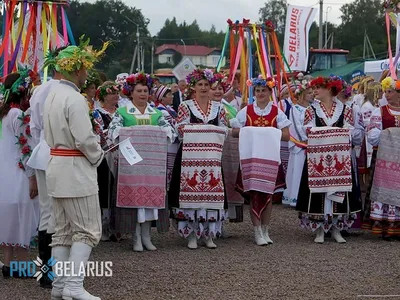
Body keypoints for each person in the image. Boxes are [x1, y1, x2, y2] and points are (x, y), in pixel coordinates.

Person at [43, 39, 109, 300]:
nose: (86, 74)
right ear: (77, 69)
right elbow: (83, 138)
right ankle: (73, 284)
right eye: (85, 69)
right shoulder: (75, 99)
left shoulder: (51, 95)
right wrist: (98, 155)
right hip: (74, 167)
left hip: (56, 166)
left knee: (62, 231)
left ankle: (60, 286)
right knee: (87, 229)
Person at [108, 73, 176, 252]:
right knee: (134, 202)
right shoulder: (122, 112)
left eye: (145, 90)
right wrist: (133, 131)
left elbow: (171, 131)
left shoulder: (157, 113)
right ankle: (136, 237)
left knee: (150, 202)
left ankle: (147, 236)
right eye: (139, 91)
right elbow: (112, 131)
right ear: (131, 93)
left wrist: (158, 131)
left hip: (152, 165)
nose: (143, 94)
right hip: (132, 166)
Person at [296, 76, 362, 244]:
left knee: (339, 189)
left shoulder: (345, 109)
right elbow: (306, 131)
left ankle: (336, 228)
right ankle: (319, 229)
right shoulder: (311, 110)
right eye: (314, 88)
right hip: (318, 159)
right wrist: (330, 132)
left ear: (330, 89)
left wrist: (337, 133)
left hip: (339, 158)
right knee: (319, 191)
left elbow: (352, 131)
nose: (315, 91)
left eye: (318, 87)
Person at [169, 69, 228, 249]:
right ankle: (192, 234)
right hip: (189, 156)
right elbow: (179, 129)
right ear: (193, 87)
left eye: (206, 85)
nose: (203, 87)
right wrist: (205, 130)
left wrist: (206, 131)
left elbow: (224, 129)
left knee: (211, 192)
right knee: (190, 192)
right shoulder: (185, 106)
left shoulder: (219, 108)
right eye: (200, 84)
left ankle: (209, 234)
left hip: (211, 157)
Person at [230, 75, 291, 246]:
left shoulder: (277, 112)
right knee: (254, 194)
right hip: (251, 159)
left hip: (270, 159)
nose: (260, 93)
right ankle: (256, 230)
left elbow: (286, 135)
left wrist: (265, 133)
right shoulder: (246, 111)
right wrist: (253, 132)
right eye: (257, 90)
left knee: (268, 195)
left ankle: (265, 229)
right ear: (253, 92)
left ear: (270, 92)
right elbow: (234, 131)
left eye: (264, 90)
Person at [28, 46, 66, 289]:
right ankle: (56, 272)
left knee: (46, 214)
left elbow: (33, 129)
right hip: (59, 155)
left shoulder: (39, 90)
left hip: (41, 152)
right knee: (61, 216)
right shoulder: (66, 92)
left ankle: (46, 273)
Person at [0, 69, 39, 278]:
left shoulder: (4, 113)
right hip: (18, 174)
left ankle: (7, 264)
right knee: (23, 215)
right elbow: (26, 149)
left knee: (9, 217)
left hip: (4, 174)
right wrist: (32, 177)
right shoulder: (18, 115)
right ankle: (22, 265)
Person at [363, 77, 400, 240]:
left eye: (390, 91)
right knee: (386, 189)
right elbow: (372, 135)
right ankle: (386, 225)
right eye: (386, 91)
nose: (387, 94)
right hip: (385, 158)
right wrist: (391, 134)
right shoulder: (380, 111)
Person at [92, 81, 120, 241]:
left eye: (117, 93)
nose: (116, 96)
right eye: (112, 93)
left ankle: (118, 226)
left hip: (121, 155)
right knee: (105, 187)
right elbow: (98, 132)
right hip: (105, 155)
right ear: (103, 96)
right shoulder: (97, 113)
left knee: (119, 187)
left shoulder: (122, 112)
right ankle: (104, 225)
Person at [282, 77, 313, 207]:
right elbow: (295, 126)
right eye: (310, 93)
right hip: (300, 145)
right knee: (298, 170)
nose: (312, 95)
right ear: (303, 94)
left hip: (311, 143)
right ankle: (295, 197)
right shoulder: (295, 109)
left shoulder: (313, 108)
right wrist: (306, 140)